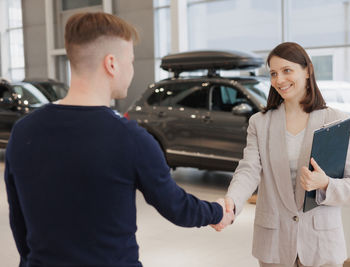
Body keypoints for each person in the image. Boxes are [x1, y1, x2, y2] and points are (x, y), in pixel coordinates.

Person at [4, 12, 233, 267]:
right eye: (131, 61)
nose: (132, 69)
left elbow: (19, 224)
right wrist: (217, 211)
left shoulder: (23, 132)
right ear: (111, 64)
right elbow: (176, 207)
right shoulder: (131, 139)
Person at [213, 42, 350, 266]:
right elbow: (248, 170)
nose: (279, 80)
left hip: (321, 245)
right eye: (273, 73)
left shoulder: (334, 121)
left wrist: (325, 184)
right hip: (274, 242)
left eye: (287, 71)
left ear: (308, 70)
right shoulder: (260, 123)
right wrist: (231, 203)